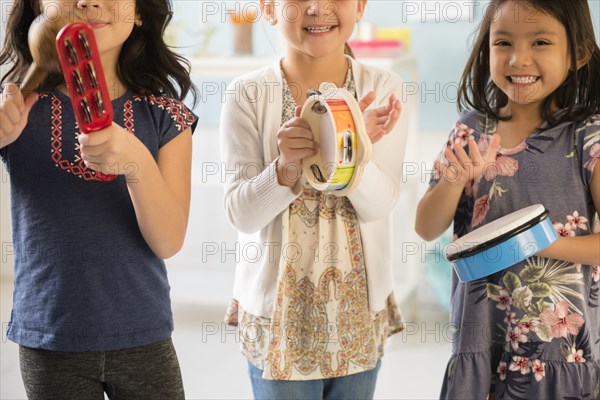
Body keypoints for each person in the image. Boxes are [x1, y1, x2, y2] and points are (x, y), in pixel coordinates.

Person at [0, 0, 198, 398]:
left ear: (141, 11)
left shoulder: (166, 117)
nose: (91, 1)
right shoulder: (12, 109)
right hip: (49, 339)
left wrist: (137, 161)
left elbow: (168, 240)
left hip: (143, 335)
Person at [220, 0, 408, 398]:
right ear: (268, 9)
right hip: (279, 321)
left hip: (356, 314)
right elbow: (242, 214)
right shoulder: (247, 93)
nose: (318, 7)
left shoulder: (383, 88)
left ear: (359, 6)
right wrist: (286, 168)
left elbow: (380, 204)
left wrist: (350, 147)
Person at [415, 0, 600, 398]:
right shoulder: (469, 129)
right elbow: (426, 227)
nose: (519, 59)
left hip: (558, 352)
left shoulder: (588, 137)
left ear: (579, 53)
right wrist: (452, 181)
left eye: (540, 42)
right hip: (481, 341)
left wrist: (543, 241)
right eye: (503, 43)